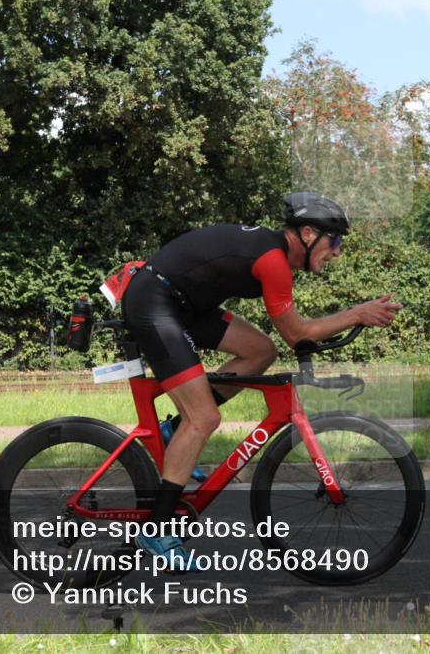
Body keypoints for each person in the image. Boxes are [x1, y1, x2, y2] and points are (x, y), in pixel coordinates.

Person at [118, 192, 401, 572]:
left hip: (182, 304)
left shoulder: (276, 258)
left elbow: (292, 338)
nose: (337, 251)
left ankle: (173, 432)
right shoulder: (273, 262)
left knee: (259, 351)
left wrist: (352, 317)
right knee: (203, 418)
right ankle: (157, 529)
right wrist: (357, 313)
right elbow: (298, 331)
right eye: (333, 241)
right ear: (306, 233)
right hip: (155, 302)